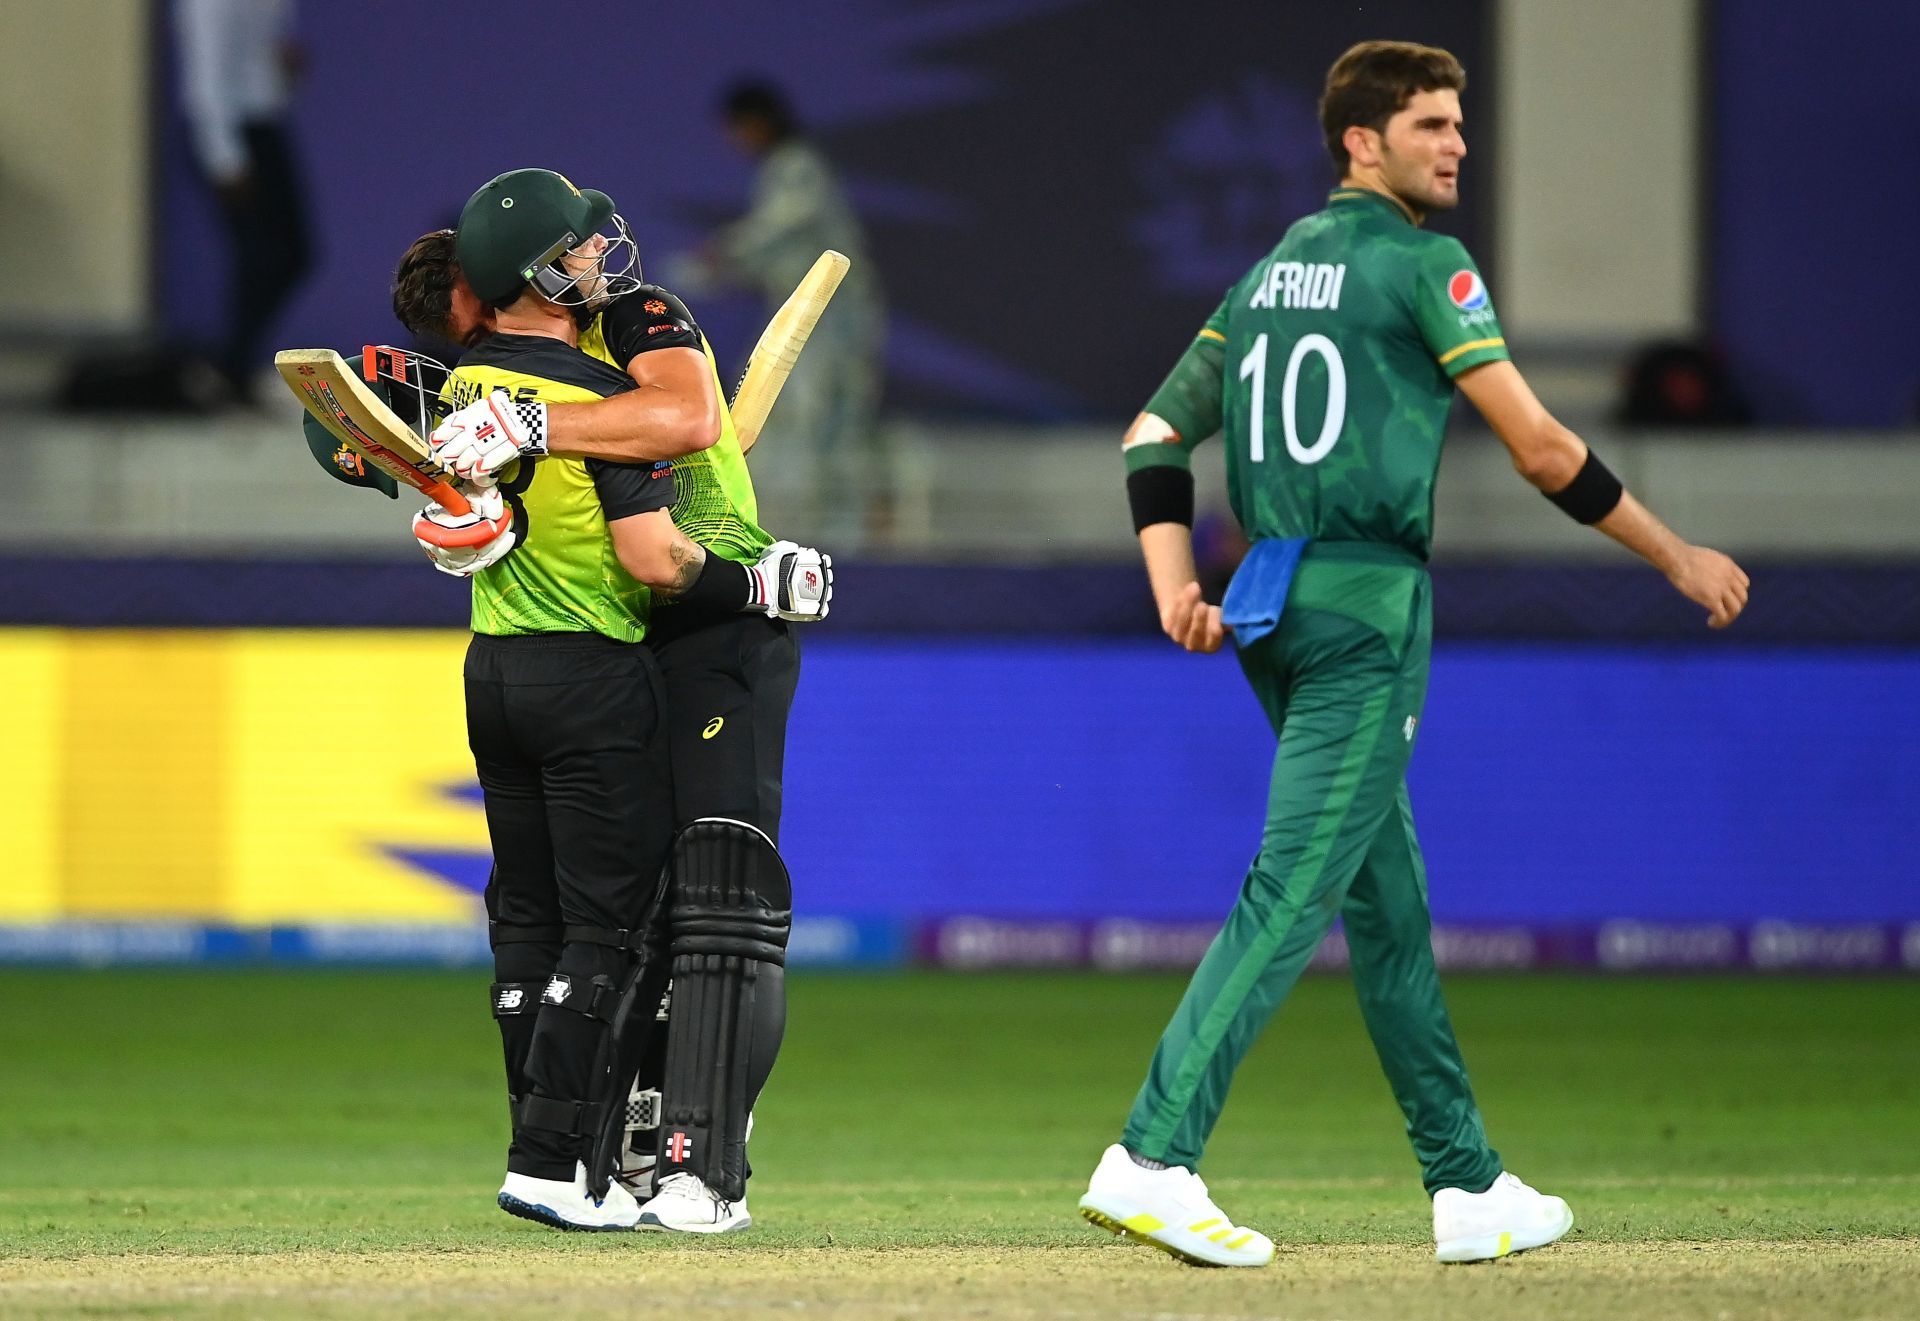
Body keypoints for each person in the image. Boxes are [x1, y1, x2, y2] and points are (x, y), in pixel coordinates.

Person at [1078, 40, 1750, 1269]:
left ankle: (1465, 1182)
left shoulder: (1272, 271)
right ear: (1361, 142)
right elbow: (1541, 450)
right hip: (1364, 610)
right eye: (1432, 124)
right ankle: (1153, 1154)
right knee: (1293, 890)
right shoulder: (1425, 267)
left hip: (1270, 604)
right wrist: (1673, 553)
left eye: (1456, 123)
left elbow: (1152, 434)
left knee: (1386, 902)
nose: (1456, 144)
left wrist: (1178, 584)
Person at [405, 173, 825, 1232]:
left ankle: (692, 1164)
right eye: (580, 244)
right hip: (633, 634)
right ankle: (608, 1152)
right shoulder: (527, 366)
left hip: (687, 624)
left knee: (705, 907)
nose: (602, 251)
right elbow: (636, 525)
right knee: (657, 916)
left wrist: (529, 428)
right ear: (534, 274)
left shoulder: (631, 326)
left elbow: (683, 419)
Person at [687, 79, 889, 546]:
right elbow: (774, 252)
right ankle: (804, 530)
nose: (735, 141)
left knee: (824, 418)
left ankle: (841, 537)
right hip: (804, 319)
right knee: (791, 417)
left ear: (757, 122)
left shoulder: (799, 165)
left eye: (738, 129)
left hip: (831, 319)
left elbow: (780, 225)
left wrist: (722, 249)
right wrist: (725, 265)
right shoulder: (781, 168)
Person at [173, 0, 313, 401]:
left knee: (290, 253)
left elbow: (262, 61)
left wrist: (281, 75)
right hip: (233, 133)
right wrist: (224, 157)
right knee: (260, 255)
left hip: (265, 127)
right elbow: (206, 74)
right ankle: (230, 371)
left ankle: (234, 367)